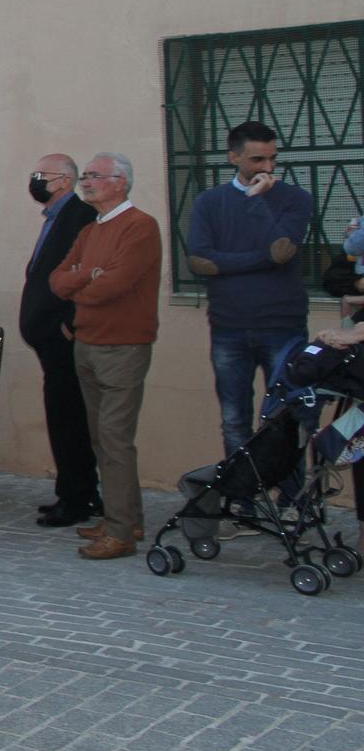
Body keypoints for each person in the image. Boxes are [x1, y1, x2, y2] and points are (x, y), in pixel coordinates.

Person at [50, 152, 162, 561]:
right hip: (88, 343)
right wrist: (85, 276)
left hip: (123, 345)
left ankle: (121, 532)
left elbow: (113, 286)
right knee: (101, 435)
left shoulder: (140, 226)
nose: (87, 182)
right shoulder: (91, 229)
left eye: (95, 176)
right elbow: (57, 280)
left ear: (121, 182)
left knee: (114, 437)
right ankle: (124, 517)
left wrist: (85, 282)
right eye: (86, 177)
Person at [185, 121, 315, 460]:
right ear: (234, 157)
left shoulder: (295, 199)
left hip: (282, 326)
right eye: (258, 160)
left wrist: (256, 202)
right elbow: (199, 261)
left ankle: (289, 503)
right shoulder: (209, 202)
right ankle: (242, 499)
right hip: (229, 327)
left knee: (286, 416)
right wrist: (262, 258)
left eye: (273, 158)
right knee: (233, 420)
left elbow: (283, 251)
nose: (268, 168)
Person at [20, 154, 101, 526]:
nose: (35, 180)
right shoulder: (54, 218)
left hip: (64, 339)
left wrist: (68, 323)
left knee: (69, 418)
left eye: (42, 175)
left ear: (64, 181)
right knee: (62, 415)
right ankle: (73, 491)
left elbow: (86, 274)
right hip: (47, 341)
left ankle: (78, 497)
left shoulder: (80, 217)